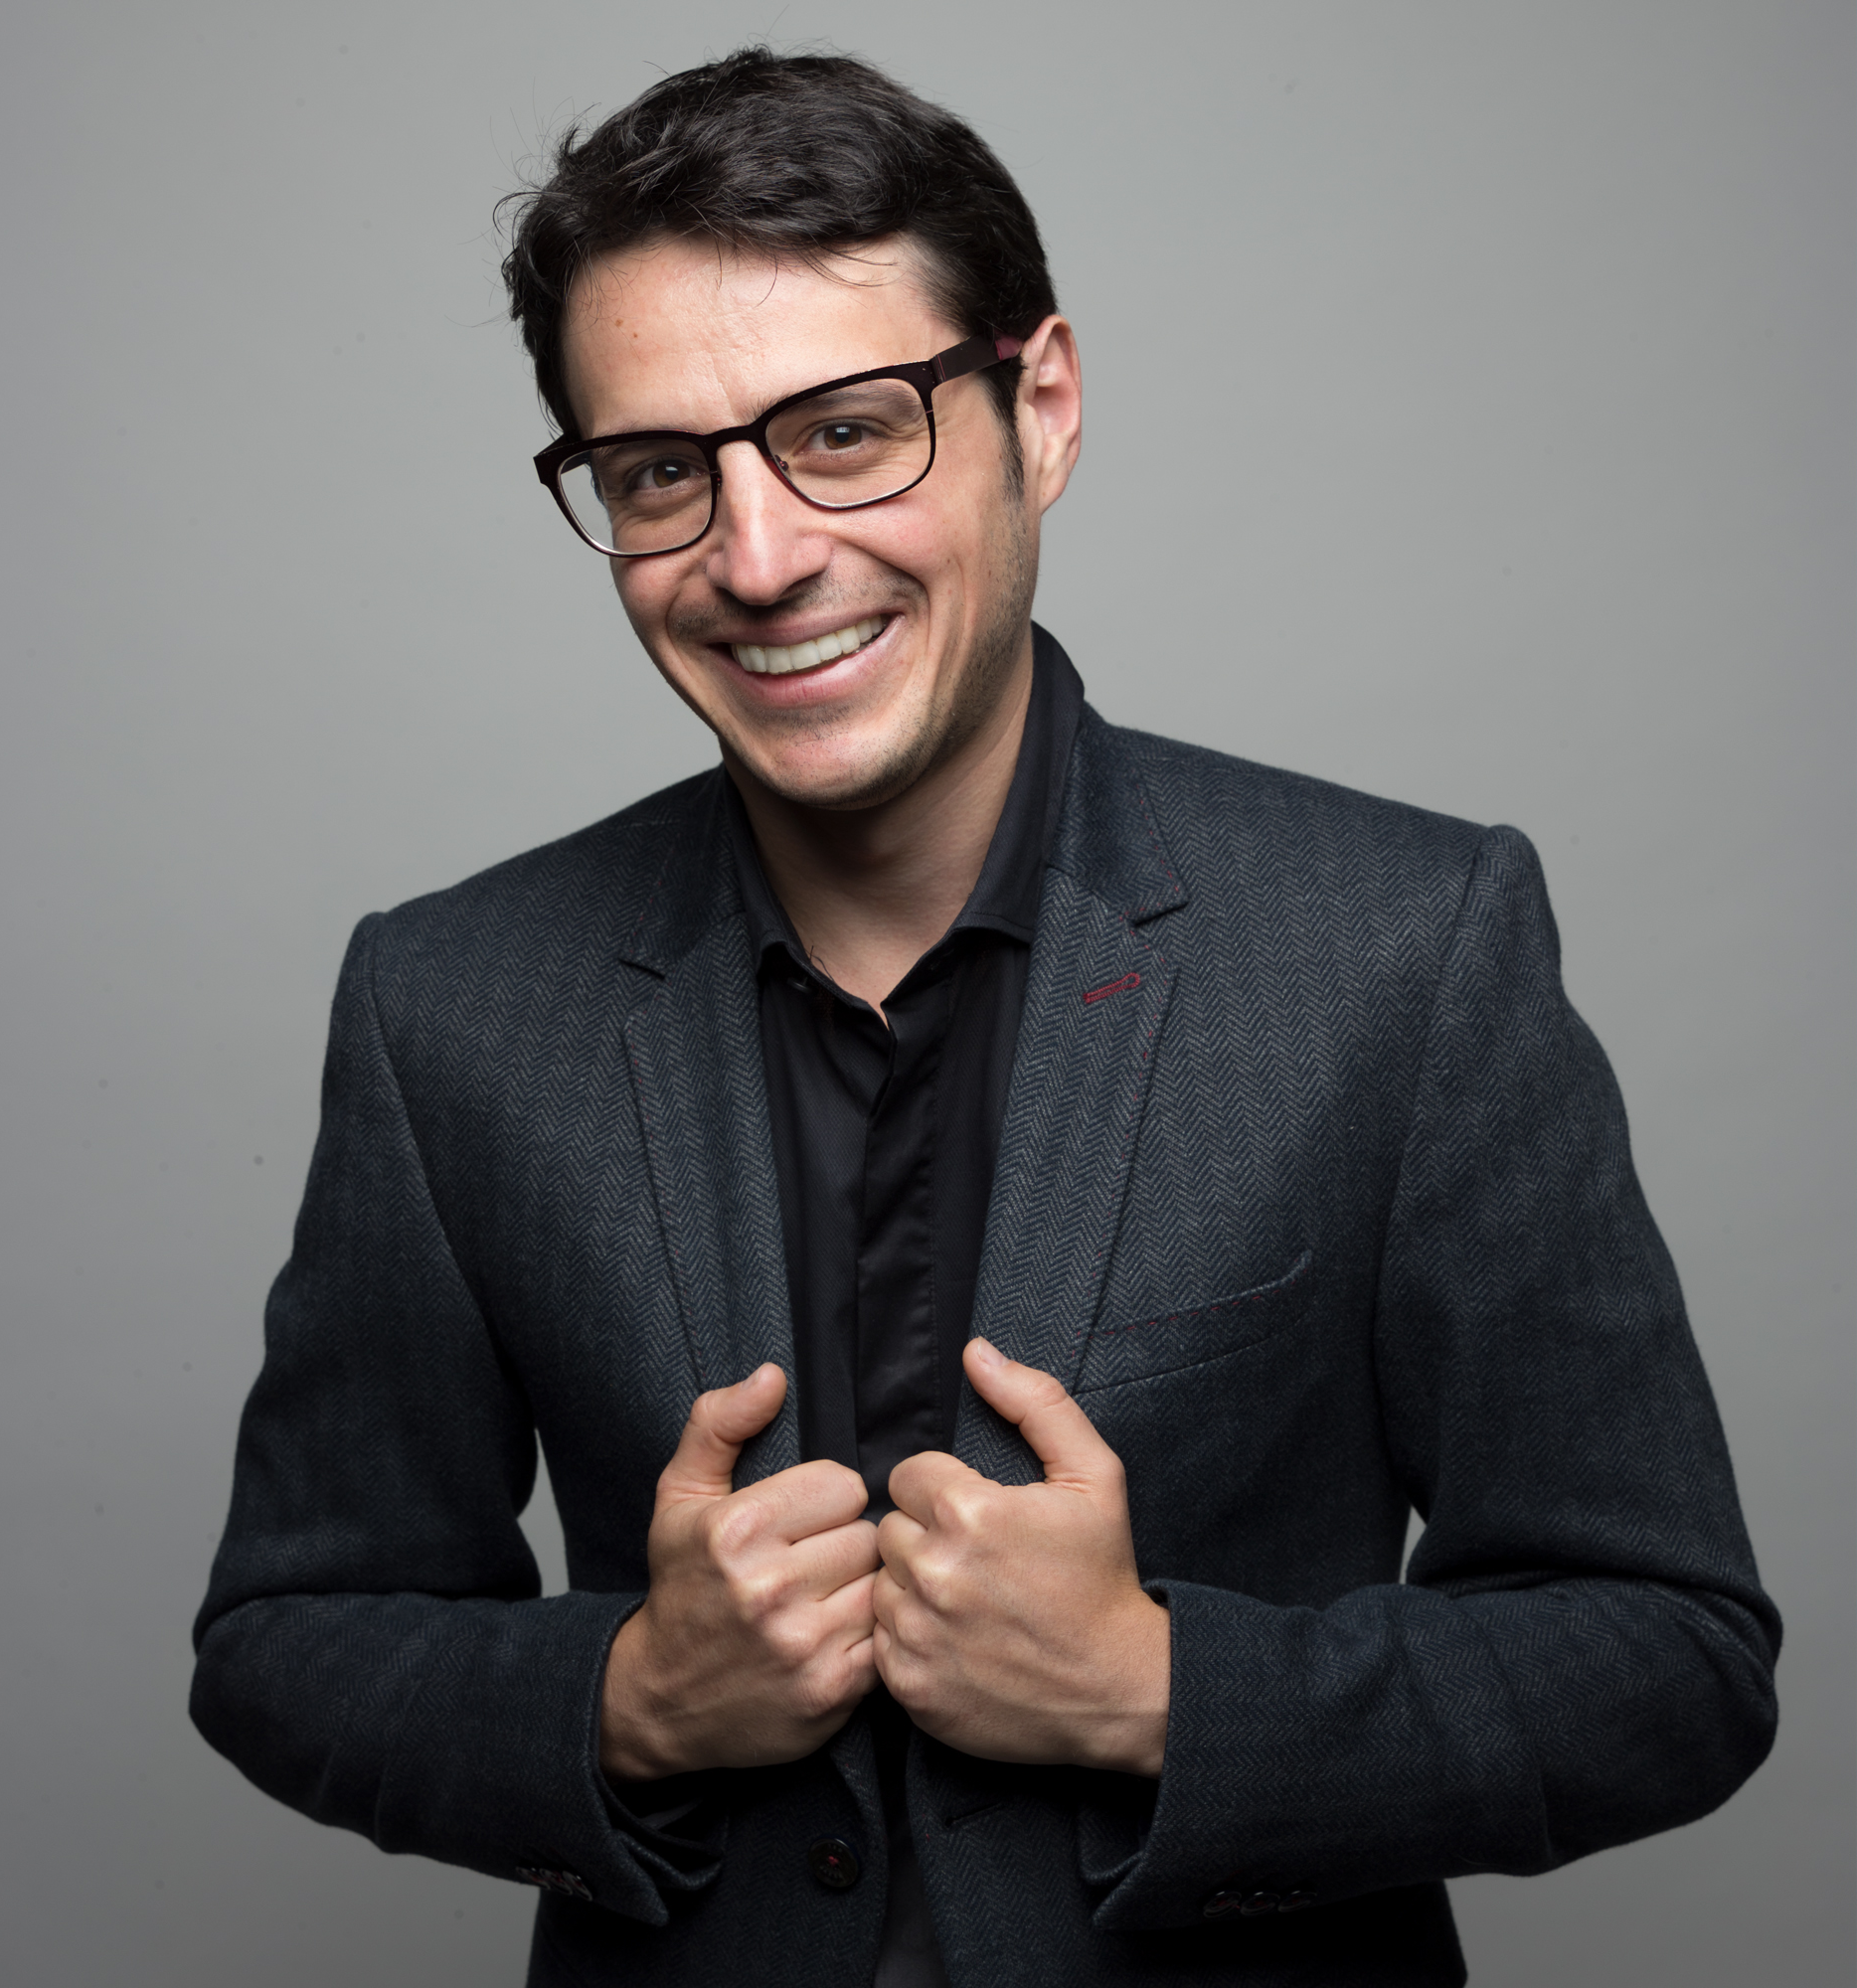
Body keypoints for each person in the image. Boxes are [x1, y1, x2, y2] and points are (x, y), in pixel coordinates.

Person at [191, 47, 1779, 1988]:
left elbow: (1671, 1654)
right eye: (662, 472)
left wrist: (1160, 1691)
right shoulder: (449, 1000)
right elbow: (286, 1641)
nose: (758, 558)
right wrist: (628, 1700)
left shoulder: (1406, 945)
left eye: (848, 431)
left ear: (1041, 409)